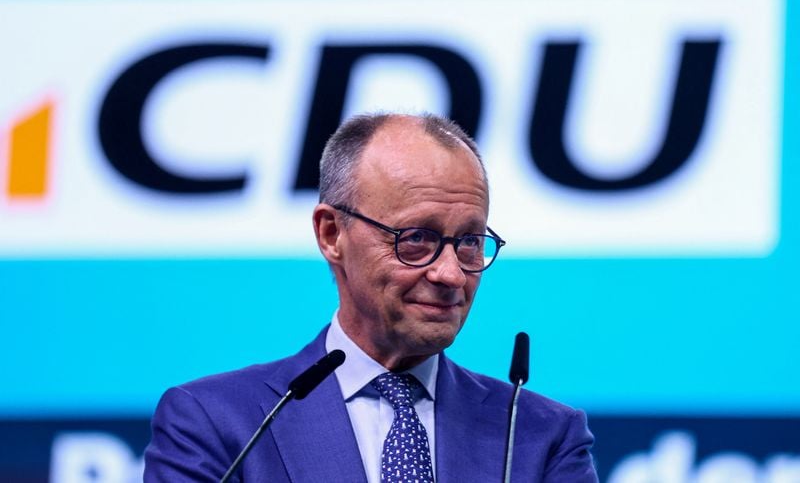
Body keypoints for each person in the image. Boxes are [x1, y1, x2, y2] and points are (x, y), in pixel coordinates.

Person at [144, 112, 598, 482]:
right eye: (416, 238)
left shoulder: (541, 436)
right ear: (331, 234)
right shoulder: (218, 424)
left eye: (469, 241)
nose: (450, 273)